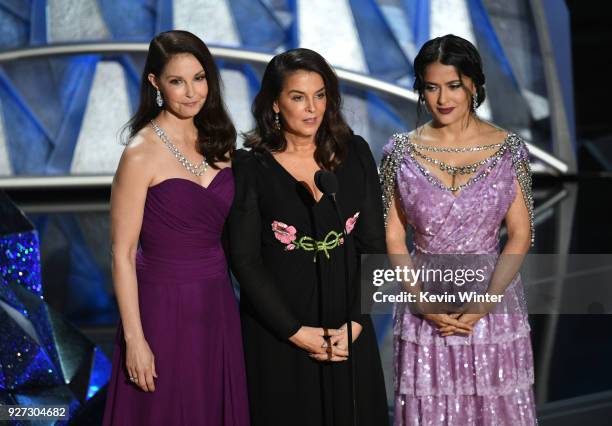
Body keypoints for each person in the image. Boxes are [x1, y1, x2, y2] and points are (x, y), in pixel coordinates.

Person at [228, 48, 389, 426]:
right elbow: (245, 261)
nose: (311, 108)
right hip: (280, 336)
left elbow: (374, 247)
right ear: (274, 104)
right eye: (298, 97)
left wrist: (357, 323)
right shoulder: (250, 167)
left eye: (319, 95)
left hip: (349, 332)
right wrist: (296, 333)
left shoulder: (355, 152)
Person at [382, 34, 537, 425]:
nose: (442, 98)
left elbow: (520, 234)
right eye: (431, 87)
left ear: (473, 84)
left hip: (492, 303)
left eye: (453, 85)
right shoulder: (399, 151)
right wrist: (419, 300)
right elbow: (394, 235)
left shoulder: (509, 148)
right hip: (426, 303)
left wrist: (487, 302)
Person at [103, 30, 249, 425]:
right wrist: (135, 339)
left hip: (216, 303)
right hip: (161, 309)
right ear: (155, 83)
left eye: (199, 78)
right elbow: (121, 253)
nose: (191, 92)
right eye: (177, 81)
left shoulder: (221, 144)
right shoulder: (140, 153)